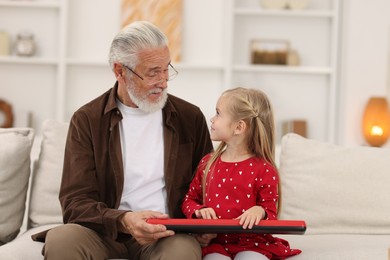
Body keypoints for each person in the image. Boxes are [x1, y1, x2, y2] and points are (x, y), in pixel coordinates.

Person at [34, 21, 213, 259]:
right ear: (120, 71)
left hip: (167, 233)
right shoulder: (87, 119)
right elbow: (75, 202)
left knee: (182, 251)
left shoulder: (189, 117)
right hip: (104, 232)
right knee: (62, 240)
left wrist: (206, 223)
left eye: (166, 68)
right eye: (153, 72)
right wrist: (124, 220)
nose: (164, 81)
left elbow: (208, 186)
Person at [181, 87, 301, 260]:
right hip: (216, 244)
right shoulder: (207, 163)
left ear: (239, 127)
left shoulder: (265, 169)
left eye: (218, 113)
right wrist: (199, 211)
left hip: (254, 244)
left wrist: (259, 211)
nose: (212, 119)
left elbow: (271, 212)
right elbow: (189, 200)